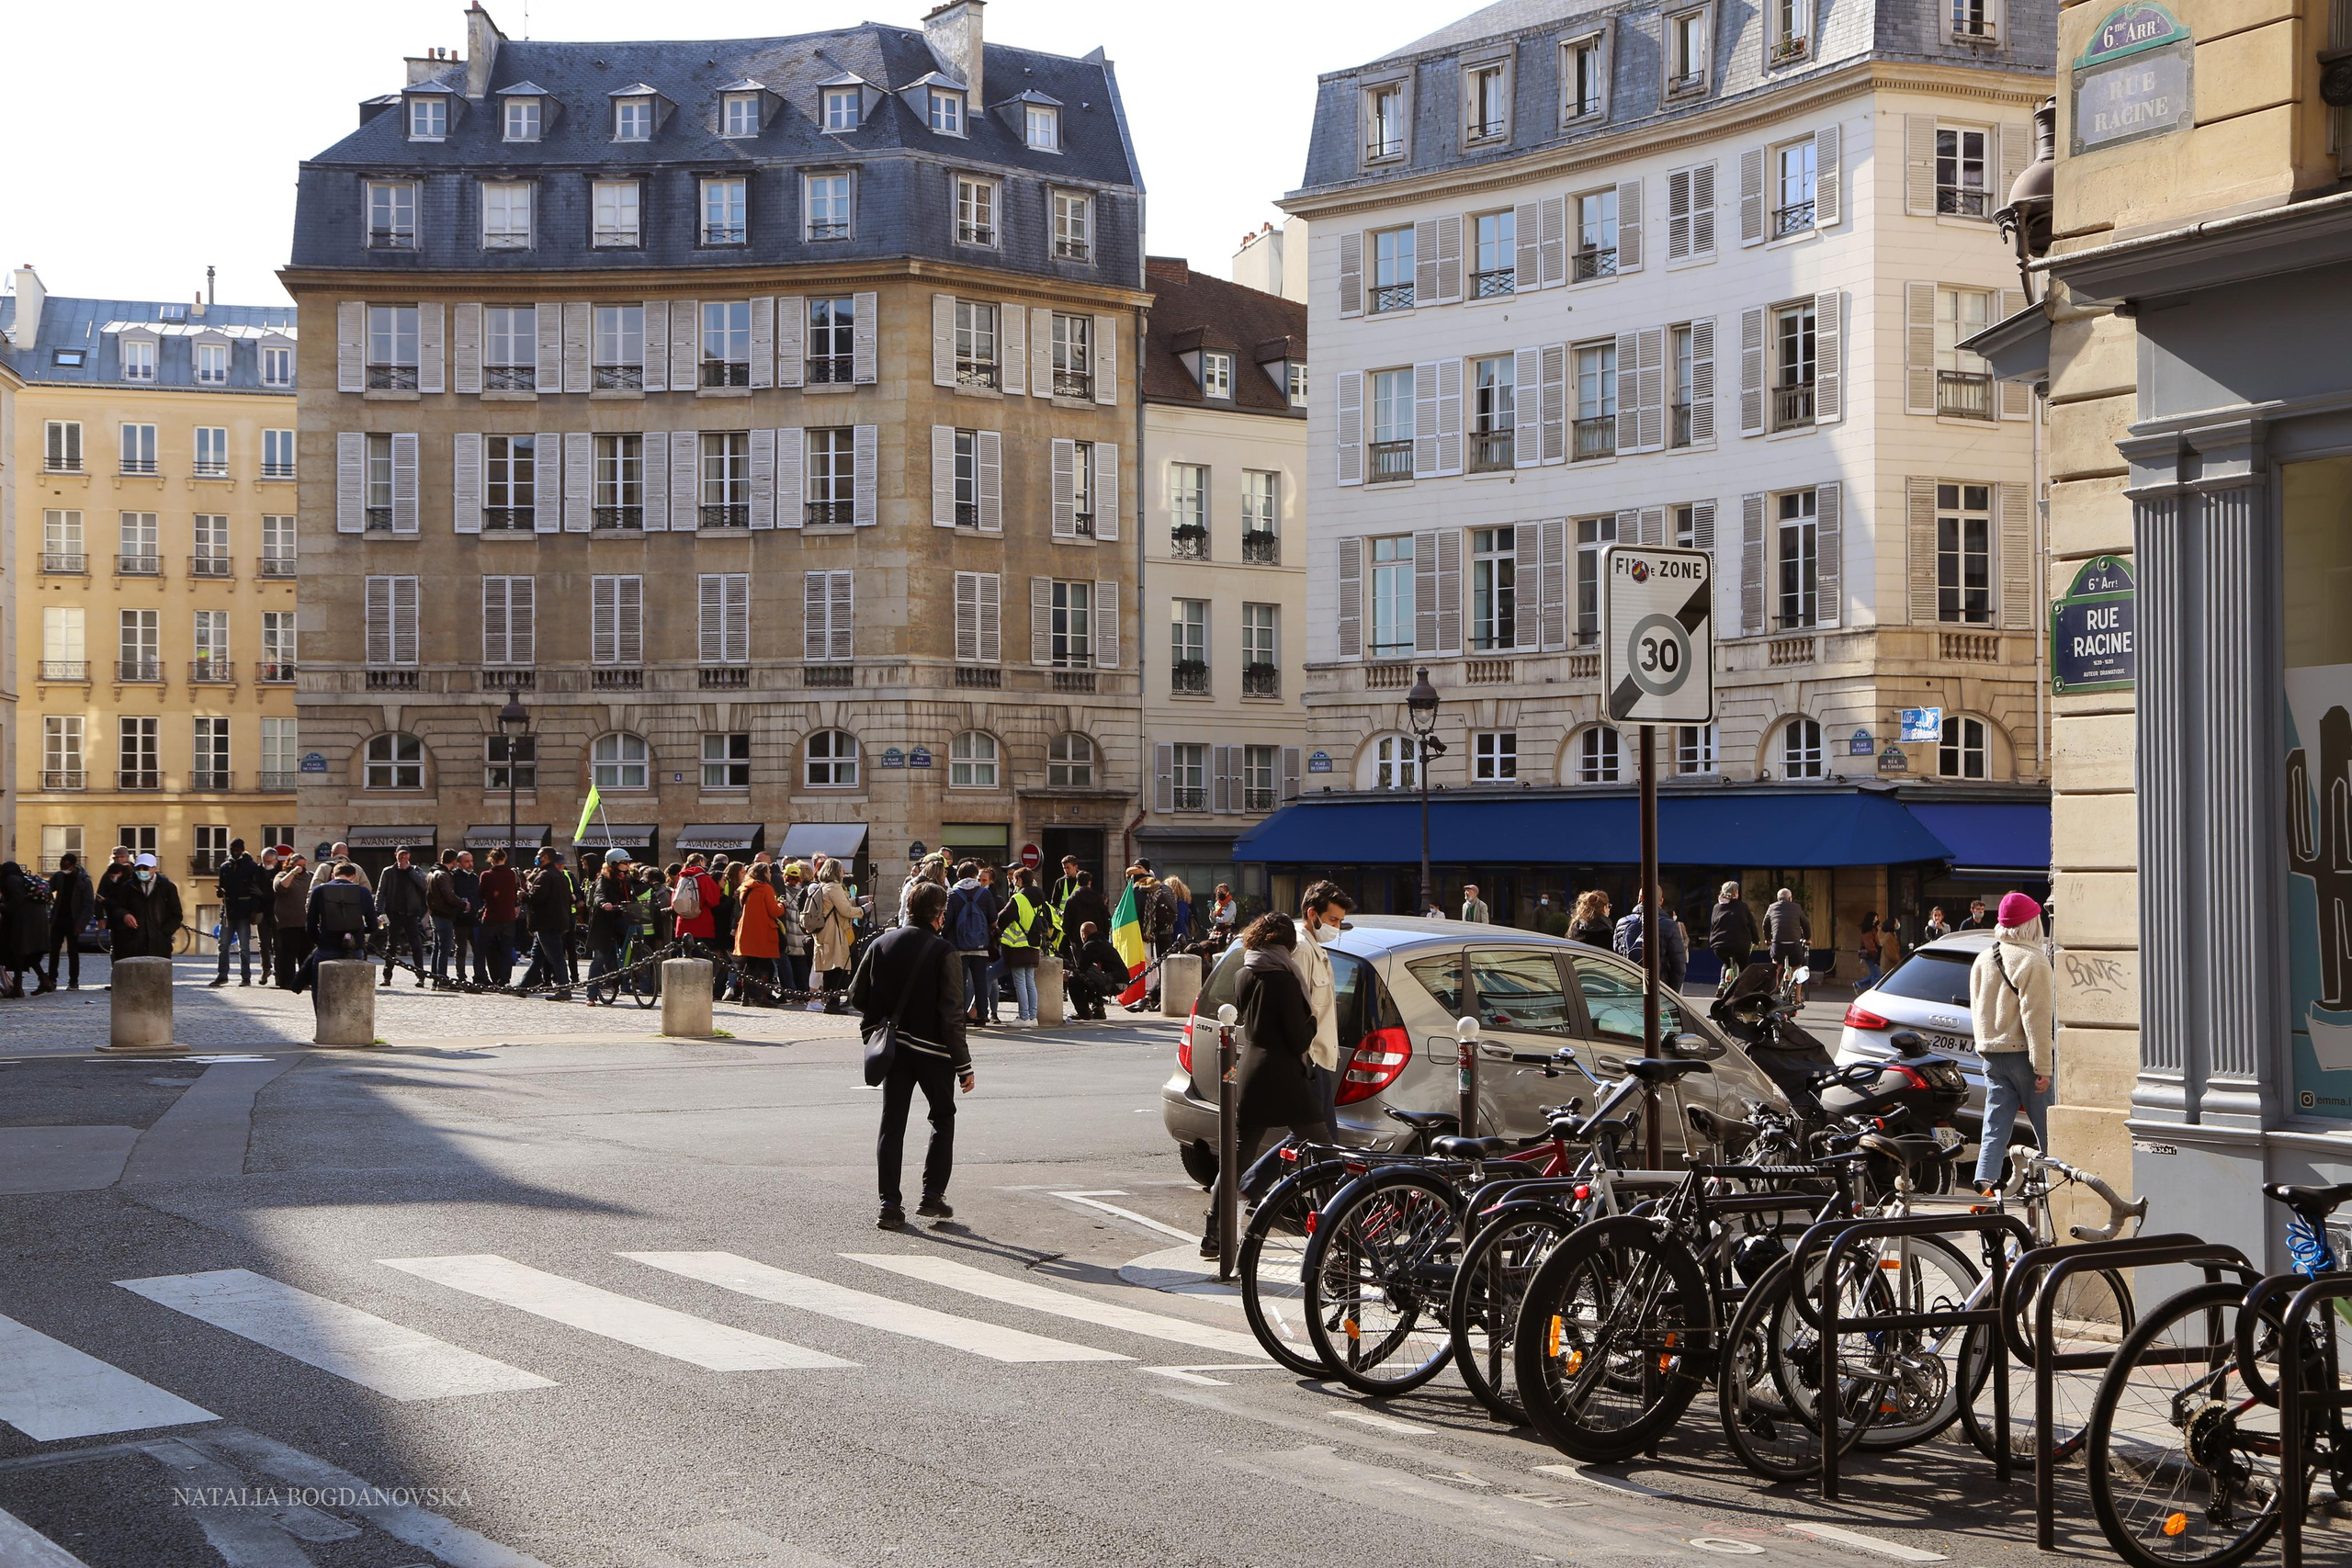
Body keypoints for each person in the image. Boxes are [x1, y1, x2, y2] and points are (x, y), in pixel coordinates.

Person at [1198, 913, 1329, 1257]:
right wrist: (1313, 1021)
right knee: (1323, 1146)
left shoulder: (1244, 974)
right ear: (1286, 944)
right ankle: (1339, 1227)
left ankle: (1214, 1234)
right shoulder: (1283, 980)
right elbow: (1298, 1038)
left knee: (1236, 1159)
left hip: (1251, 1071)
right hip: (1284, 1075)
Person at [849, 880, 972, 1231]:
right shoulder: (944, 951)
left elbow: (857, 996)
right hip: (934, 1052)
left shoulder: (881, 943)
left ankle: (889, 1204)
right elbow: (952, 1014)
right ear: (938, 914)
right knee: (942, 1117)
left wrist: (886, 1011)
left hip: (894, 1049)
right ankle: (932, 1196)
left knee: (892, 1124)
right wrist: (964, 1066)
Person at [1971, 892, 2055, 1194]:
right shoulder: (2034, 961)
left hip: (1992, 1056)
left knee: (1995, 1125)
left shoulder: (1984, 958)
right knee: (2048, 1127)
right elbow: (2037, 1018)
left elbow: (1978, 1008)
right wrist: (2043, 1066)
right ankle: (2055, 1188)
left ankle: (1985, 1186)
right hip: (2024, 1057)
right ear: (2032, 924)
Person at [1296, 880, 1355, 1131]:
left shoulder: (1315, 948)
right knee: (1319, 1140)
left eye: (1340, 921)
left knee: (1314, 1140)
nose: (1337, 928)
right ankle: (1248, 1173)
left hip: (1319, 1059)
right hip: (1309, 1060)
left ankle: (1247, 1173)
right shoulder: (1301, 949)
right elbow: (1297, 1009)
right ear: (1312, 914)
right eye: (1332, 920)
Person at [299, 862, 377, 996]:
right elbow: (373, 924)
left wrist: (321, 940)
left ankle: (322, 1014)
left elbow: (310, 924)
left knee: (320, 986)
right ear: (353, 876)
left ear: (333, 876)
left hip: (327, 945)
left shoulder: (319, 891)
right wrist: (359, 932)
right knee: (354, 987)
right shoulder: (363, 892)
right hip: (355, 946)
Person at [995, 866, 1051, 1026]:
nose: (1013, 882)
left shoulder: (1018, 898)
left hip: (1018, 945)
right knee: (1030, 981)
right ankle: (1033, 1017)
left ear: (1019, 880)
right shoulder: (1040, 897)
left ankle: (1024, 1017)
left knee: (1020, 982)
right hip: (1034, 943)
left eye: (1014, 880)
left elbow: (1003, 918)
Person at [944, 862, 998, 1027]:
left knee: (958, 982)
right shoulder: (984, 894)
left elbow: (948, 921)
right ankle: (982, 1015)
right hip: (980, 945)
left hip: (958, 945)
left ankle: (959, 1014)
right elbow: (993, 918)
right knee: (980, 981)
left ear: (959, 875)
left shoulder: (952, 894)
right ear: (976, 875)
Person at [208, 839, 266, 987]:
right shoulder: (225, 867)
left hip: (244, 910)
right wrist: (220, 893)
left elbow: (254, 891)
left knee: (244, 947)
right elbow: (222, 890)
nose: (235, 852)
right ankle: (222, 975)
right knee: (223, 945)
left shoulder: (251, 866)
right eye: (233, 849)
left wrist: (254, 910)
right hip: (228, 910)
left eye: (237, 850)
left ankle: (246, 977)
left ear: (242, 849)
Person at [807, 857, 862, 1008]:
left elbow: (840, 904)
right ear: (836, 871)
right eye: (841, 868)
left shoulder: (824, 886)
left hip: (825, 931)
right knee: (837, 968)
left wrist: (857, 901)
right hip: (834, 931)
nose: (843, 871)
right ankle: (833, 1002)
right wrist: (862, 910)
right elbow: (845, 910)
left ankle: (830, 1001)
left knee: (829, 968)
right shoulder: (834, 887)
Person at [520, 850, 575, 998]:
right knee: (537, 958)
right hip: (556, 921)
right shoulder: (559, 875)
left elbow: (536, 898)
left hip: (547, 923)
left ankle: (564, 989)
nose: (536, 858)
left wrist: (523, 895)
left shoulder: (545, 875)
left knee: (556, 957)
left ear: (545, 858)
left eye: (539, 855)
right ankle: (522, 986)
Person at [582, 851, 636, 1006]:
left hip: (620, 918)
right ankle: (591, 995)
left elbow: (635, 894)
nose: (628, 866)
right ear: (614, 864)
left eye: (628, 863)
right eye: (624, 863)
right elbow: (599, 894)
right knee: (599, 958)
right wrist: (604, 903)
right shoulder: (603, 879)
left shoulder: (627, 879)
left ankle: (626, 961)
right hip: (604, 922)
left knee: (634, 931)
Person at [1613, 889, 1689, 993]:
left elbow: (1616, 958)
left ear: (1639, 898)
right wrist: (1669, 994)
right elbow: (1679, 967)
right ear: (1661, 901)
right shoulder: (1669, 926)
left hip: (1627, 990)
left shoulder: (1622, 923)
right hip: (1656, 991)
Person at [110, 854, 183, 960]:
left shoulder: (167, 887)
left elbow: (176, 914)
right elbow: (117, 908)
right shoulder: (128, 886)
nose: (141, 871)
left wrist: (163, 934)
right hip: (133, 944)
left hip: (158, 945)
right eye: (138, 868)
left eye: (145, 868)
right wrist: (124, 914)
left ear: (154, 868)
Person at [376, 850, 430, 988]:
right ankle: (387, 977)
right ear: (396, 855)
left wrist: (409, 870)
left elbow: (424, 885)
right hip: (394, 914)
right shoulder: (388, 871)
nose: (404, 857)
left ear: (409, 856)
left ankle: (420, 977)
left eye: (406, 855)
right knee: (391, 946)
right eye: (401, 855)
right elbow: (381, 892)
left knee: (416, 946)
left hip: (411, 914)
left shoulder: (416, 870)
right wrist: (377, 911)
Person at [40, 852, 95, 993]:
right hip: (58, 918)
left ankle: (73, 981)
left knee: (73, 951)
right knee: (54, 951)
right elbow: (47, 890)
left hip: (74, 920)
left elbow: (88, 905)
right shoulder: (59, 876)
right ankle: (52, 979)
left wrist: (81, 924)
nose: (63, 869)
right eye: (61, 866)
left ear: (72, 866)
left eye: (65, 866)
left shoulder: (84, 881)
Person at [732, 862, 785, 1004]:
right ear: (764, 873)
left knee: (750, 964)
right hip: (762, 930)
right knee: (765, 965)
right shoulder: (765, 888)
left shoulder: (745, 887)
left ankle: (746, 995)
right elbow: (774, 911)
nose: (770, 874)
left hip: (747, 930)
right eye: (768, 871)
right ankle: (761, 996)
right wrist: (782, 905)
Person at [0, 863, 52, 997]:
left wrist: (4, 907)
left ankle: (18, 988)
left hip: (23, 921)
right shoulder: (21, 879)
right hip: (35, 920)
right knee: (29, 953)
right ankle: (44, 981)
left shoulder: (11, 880)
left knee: (18, 952)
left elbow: (17, 898)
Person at [425, 849, 470, 988]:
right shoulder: (443, 875)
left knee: (437, 947)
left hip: (434, 913)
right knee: (444, 948)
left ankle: (436, 978)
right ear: (454, 862)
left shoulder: (431, 873)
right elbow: (449, 896)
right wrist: (464, 904)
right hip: (443, 914)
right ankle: (442, 979)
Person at [477, 848, 521, 987]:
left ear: (491, 860)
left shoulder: (486, 875)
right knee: (506, 949)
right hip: (508, 916)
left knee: (481, 949)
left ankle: (480, 976)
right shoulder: (511, 874)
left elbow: (480, 894)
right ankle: (504, 979)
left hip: (491, 916)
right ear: (504, 858)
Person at [1708, 882, 1759, 995]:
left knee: (1727, 963)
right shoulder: (1742, 906)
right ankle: (1743, 990)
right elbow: (1751, 925)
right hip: (1740, 945)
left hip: (1719, 945)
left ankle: (1722, 983)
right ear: (1735, 893)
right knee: (1744, 967)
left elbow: (1712, 925)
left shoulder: (1716, 907)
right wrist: (1756, 940)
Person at [271, 852, 312, 990]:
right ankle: (286, 981)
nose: (302, 868)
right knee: (288, 954)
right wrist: (293, 873)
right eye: (299, 865)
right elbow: (280, 887)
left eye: (304, 865)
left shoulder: (310, 876)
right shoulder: (282, 875)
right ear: (291, 864)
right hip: (287, 922)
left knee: (306, 953)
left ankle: (304, 980)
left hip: (306, 921)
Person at [1069, 921, 1126, 1021]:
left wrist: (1069, 973)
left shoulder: (1090, 946)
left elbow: (1082, 970)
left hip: (1112, 982)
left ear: (1083, 935)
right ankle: (1098, 1009)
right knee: (1091, 976)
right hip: (1122, 980)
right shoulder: (1104, 943)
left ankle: (1083, 1013)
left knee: (1074, 980)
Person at [1763, 887, 1811, 1002]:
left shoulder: (1771, 907)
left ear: (1778, 899)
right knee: (1797, 969)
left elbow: (1765, 924)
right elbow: (1806, 924)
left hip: (1778, 944)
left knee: (1776, 966)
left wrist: (1768, 939)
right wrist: (1807, 939)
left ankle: (1774, 988)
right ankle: (1798, 997)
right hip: (1794, 944)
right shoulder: (1797, 907)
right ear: (1790, 898)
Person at [1059, 872, 1111, 969]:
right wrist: (1104, 937)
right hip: (1097, 940)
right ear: (1089, 883)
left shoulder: (1071, 900)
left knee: (1081, 969)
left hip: (1078, 941)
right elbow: (1105, 919)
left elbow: (1066, 925)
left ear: (1077, 883)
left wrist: (1072, 938)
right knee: (1098, 969)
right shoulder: (1099, 899)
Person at [776, 861, 814, 995]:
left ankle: (791, 991)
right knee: (801, 965)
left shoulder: (783, 892)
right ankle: (803, 991)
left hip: (789, 934)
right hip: (801, 934)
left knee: (789, 965)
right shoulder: (803, 892)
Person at [96, 846, 138, 953]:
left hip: (134, 919)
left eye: (122, 857)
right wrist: (100, 917)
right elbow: (100, 896)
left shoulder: (135, 873)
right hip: (115, 919)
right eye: (116, 858)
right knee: (117, 949)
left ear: (127, 857)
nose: (119, 860)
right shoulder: (109, 874)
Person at [253, 846, 282, 985]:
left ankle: (279, 971)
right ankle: (265, 969)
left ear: (276, 860)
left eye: (269, 861)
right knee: (263, 943)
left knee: (278, 944)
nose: (266, 864)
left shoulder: (282, 872)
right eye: (264, 861)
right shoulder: (258, 871)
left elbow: (279, 893)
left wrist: (262, 895)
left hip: (277, 913)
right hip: (262, 912)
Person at [1167, 876, 1194, 949]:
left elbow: (1179, 919)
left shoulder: (1178, 903)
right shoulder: (1184, 901)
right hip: (1182, 931)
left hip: (1176, 933)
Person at [1858, 914, 1883, 989]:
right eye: (1875, 918)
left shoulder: (1873, 929)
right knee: (1876, 974)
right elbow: (1870, 945)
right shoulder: (1868, 931)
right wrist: (1875, 954)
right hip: (1871, 954)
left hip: (1873, 953)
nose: (1876, 919)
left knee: (1876, 974)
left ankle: (1859, 985)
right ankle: (1867, 987)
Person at [1208, 884, 1238, 948]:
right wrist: (1211, 913)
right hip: (1217, 928)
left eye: (1222, 892)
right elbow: (1212, 920)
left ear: (1227, 893)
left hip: (1228, 928)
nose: (1219, 894)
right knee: (1210, 942)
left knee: (1222, 943)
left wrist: (1215, 918)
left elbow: (1225, 918)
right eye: (1218, 892)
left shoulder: (1231, 904)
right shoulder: (1217, 904)